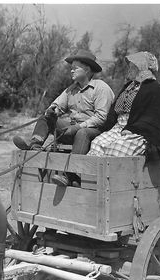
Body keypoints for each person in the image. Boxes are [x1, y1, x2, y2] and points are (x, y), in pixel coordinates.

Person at [13, 49, 114, 187]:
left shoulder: (101, 88)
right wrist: (52, 110)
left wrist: (78, 127)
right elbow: (56, 105)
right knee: (46, 117)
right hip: (71, 130)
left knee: (82, 133)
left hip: (93, 133)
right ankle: (35, 146)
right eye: (71, 68)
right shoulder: (71, 89)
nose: (71, 71)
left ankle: (70, 175)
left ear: (87, 69)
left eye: (75, 68)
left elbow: (101, 118)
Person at [88, 51, 160, 162]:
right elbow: (114, 110)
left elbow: (155, 118)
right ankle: (91, 179)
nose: (129, 69)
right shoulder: (129, 86)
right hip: (118, 128)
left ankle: (111, 178)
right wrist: (106, 127)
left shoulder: (155, 89)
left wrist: (133, 129)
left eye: (133, 67)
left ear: (141, 68)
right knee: (97, 143)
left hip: (140, 133)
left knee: (116, 150)